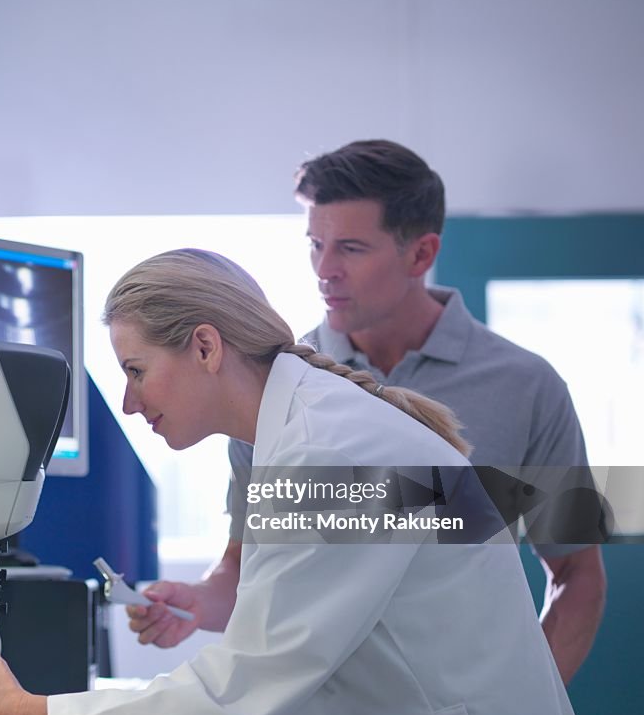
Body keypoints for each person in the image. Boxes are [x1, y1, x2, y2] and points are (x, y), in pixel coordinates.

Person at [0, 248, 588, 715]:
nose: (128, 401)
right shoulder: (300, 437)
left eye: (135, 370)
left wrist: (24, 714)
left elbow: (246, 680)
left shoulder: (331, 447)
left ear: (206, 347)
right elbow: (297, 621)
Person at [129, 140, 605, 685]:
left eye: (351, 249)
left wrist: (523, 709)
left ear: (421, 254)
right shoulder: (269, 386)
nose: (324, 269)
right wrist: (193, 601)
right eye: (315, 244)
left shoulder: (527, 388)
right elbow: (241, 572)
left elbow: (576, 574)